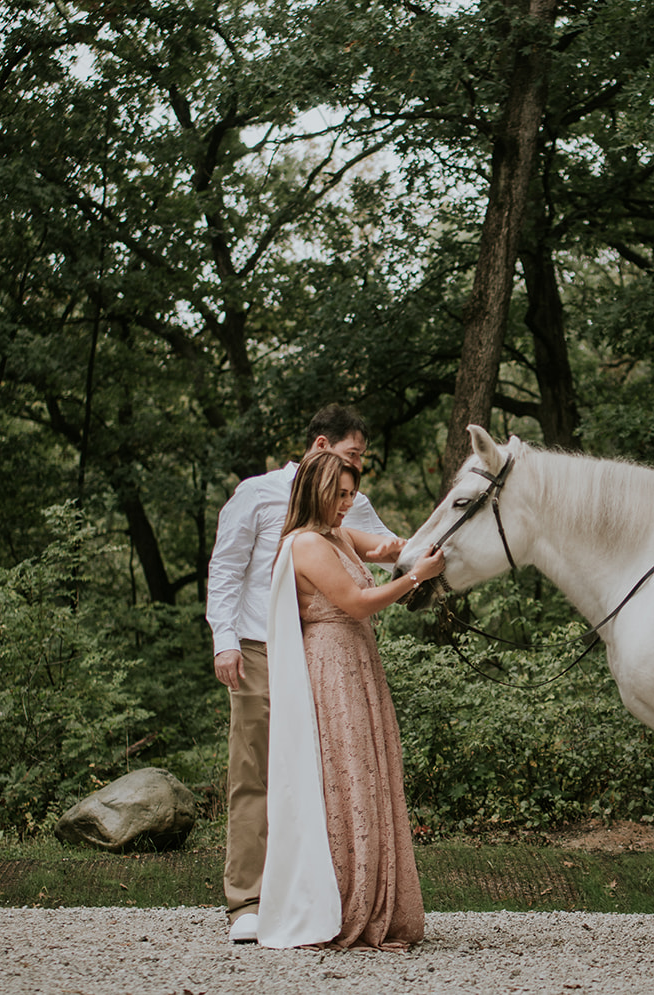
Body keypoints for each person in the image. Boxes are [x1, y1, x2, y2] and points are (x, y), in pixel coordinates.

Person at [206, 405, 402, 944]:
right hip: (261, 646)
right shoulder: (257, 493)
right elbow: (226, 568)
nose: (357, 475)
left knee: (321, 774)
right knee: (257, 770)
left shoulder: (351, 500)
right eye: (354, 456)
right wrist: (225, 641)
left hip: (323, 650)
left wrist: (406, 555)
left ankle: (323, 892)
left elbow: (383, 553)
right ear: (322, 445)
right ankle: (246, 902)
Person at [254, 449, 445, 950]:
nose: (347, 503)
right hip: (331, 669)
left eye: (351, 494)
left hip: (357, 664)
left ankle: (379, 900)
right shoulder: (305, 545)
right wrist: (415, 579)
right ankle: (345, 905)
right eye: (339, 494)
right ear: (315, 489)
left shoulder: (336, 534)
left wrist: (417, 546)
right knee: (347, 775)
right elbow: (358, 603)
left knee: (371, 772)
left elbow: (382, 547)